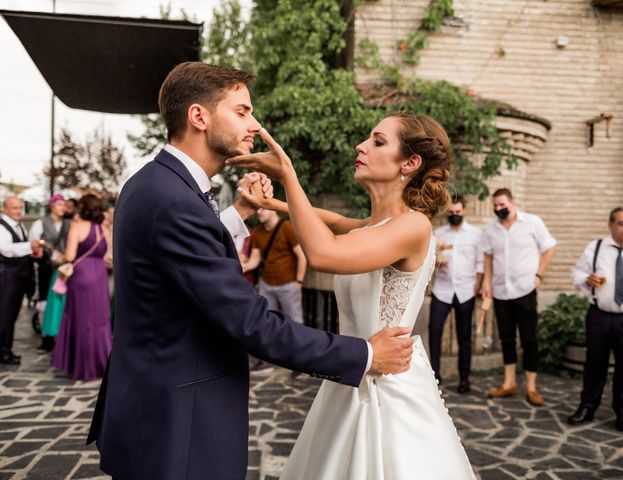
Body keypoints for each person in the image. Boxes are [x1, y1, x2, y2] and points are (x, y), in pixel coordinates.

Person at [87, 62, 412, 480]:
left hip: (156, 401)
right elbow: (251, 323)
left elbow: (189, 254)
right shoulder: (173, 201)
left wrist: (242, 211)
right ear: (199, 117)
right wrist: (365, 354)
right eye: (242, 111)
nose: (254, 124)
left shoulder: (155, 184)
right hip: (179, 423)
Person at [229, 111, 476, 478]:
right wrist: (273, 205)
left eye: (377, 141)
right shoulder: (374, 225)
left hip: (387, 388)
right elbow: (335, 222)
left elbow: (324, 253)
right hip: (353, 370)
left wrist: (288, 175)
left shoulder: (413, 226)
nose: (361, 146)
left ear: (409, 163)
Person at [568, 207, 623, 432]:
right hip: (599, 316)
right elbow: (576, 274)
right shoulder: (596, 247)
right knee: (594, 364)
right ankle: (587, 407)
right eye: (622, 223)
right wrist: (586, 279)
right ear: (611, 226)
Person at [481, 188, 556, 406]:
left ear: (512, 202)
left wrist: (539, 274)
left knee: (529, 339)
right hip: (501, 291)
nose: (498, 209)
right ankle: (509, 383)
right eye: (495, 206)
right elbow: (487, 258)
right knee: (506, 339)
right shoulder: (490, 229)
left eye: (502, 205)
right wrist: (486, 283)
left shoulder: (533, 222)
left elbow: (549, 247)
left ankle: (531, 388)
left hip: (525, 290)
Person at [51, 194, 112, 381]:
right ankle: (102, 364)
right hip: (100, 276)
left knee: (79, 320)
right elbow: (107, 257)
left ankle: (78, 367)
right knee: (99, 321)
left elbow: (69, 256)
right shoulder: (104, 230)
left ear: (82, 209)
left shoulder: (76, 227)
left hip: (81, 276)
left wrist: (57, 256)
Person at [429, 195, 483, 393]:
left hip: (465, 290)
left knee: (464, 337)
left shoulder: (476, 235)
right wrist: (436, 259)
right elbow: (428, 260)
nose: (454, 215)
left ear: (464, 211)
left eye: (458, 212)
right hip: (441, 290)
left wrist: (477, 287)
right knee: (435, 333)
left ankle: (464, 378)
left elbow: (479, 262)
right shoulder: (438, 233)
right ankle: (435, 376)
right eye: (451, 213)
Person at [241, 208, 307, 374]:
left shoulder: (287, 228)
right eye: (258, 209)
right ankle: (268, 361)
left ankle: (300, 362)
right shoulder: (258, 232)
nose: (259, 212)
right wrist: (241, 267)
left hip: (288, 284)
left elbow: (301, 255)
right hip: (267, 284)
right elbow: (254, 260)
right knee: (267, 322)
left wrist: (299, 280)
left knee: (295, 323)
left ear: (273, 210)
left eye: (263, 209)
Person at [0, 196, 42, 364]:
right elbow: (6, 250)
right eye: (15, 208)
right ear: (5, 208)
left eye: (20, 208)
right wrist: (29, 246)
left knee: (12, 316)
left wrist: (32, 252)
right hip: (6, 280)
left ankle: (6, 349)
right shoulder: (2, 227)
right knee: (4, 316)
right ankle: (3, 351)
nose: (19, 211)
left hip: (19, 279)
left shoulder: (20, 225)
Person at [28, 193, 70, 352]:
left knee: (60, 301)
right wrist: (45, 252)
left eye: (64, 205)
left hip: (64, 267)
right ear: (52, 205)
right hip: (46, 267)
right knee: (44, 302)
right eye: (60, 204)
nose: (63, 208)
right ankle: (46, 338)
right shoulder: (40, 223)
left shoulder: (69, 223)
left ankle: (60, 335)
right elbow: (34, 244)